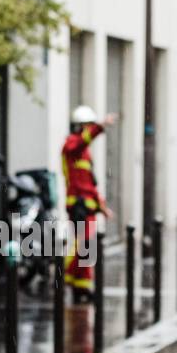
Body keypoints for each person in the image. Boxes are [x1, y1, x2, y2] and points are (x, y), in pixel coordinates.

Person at [61, 105, 115, 302]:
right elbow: (82, 141)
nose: (89, 130)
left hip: (88, 206)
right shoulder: (71, 146)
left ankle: (80, 287)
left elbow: (90, 184)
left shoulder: (85, 154)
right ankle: (65, 276)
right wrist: (100, 126)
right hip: (79, 206)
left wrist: (102, 206)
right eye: (87, 126)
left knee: (87, 248)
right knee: (83, 246)